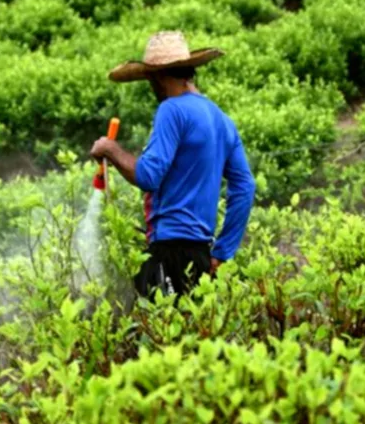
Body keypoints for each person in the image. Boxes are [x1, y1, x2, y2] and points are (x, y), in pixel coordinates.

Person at [89, 31, 256, 300]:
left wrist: (110, 149)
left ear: (156, 77)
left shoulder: (171, 109)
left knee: (158, 337)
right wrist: (223, 252)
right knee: (195, 337)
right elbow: (245, 187)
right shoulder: (222, 120)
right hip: (202, 254)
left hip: (169, 251)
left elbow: (148, 176)